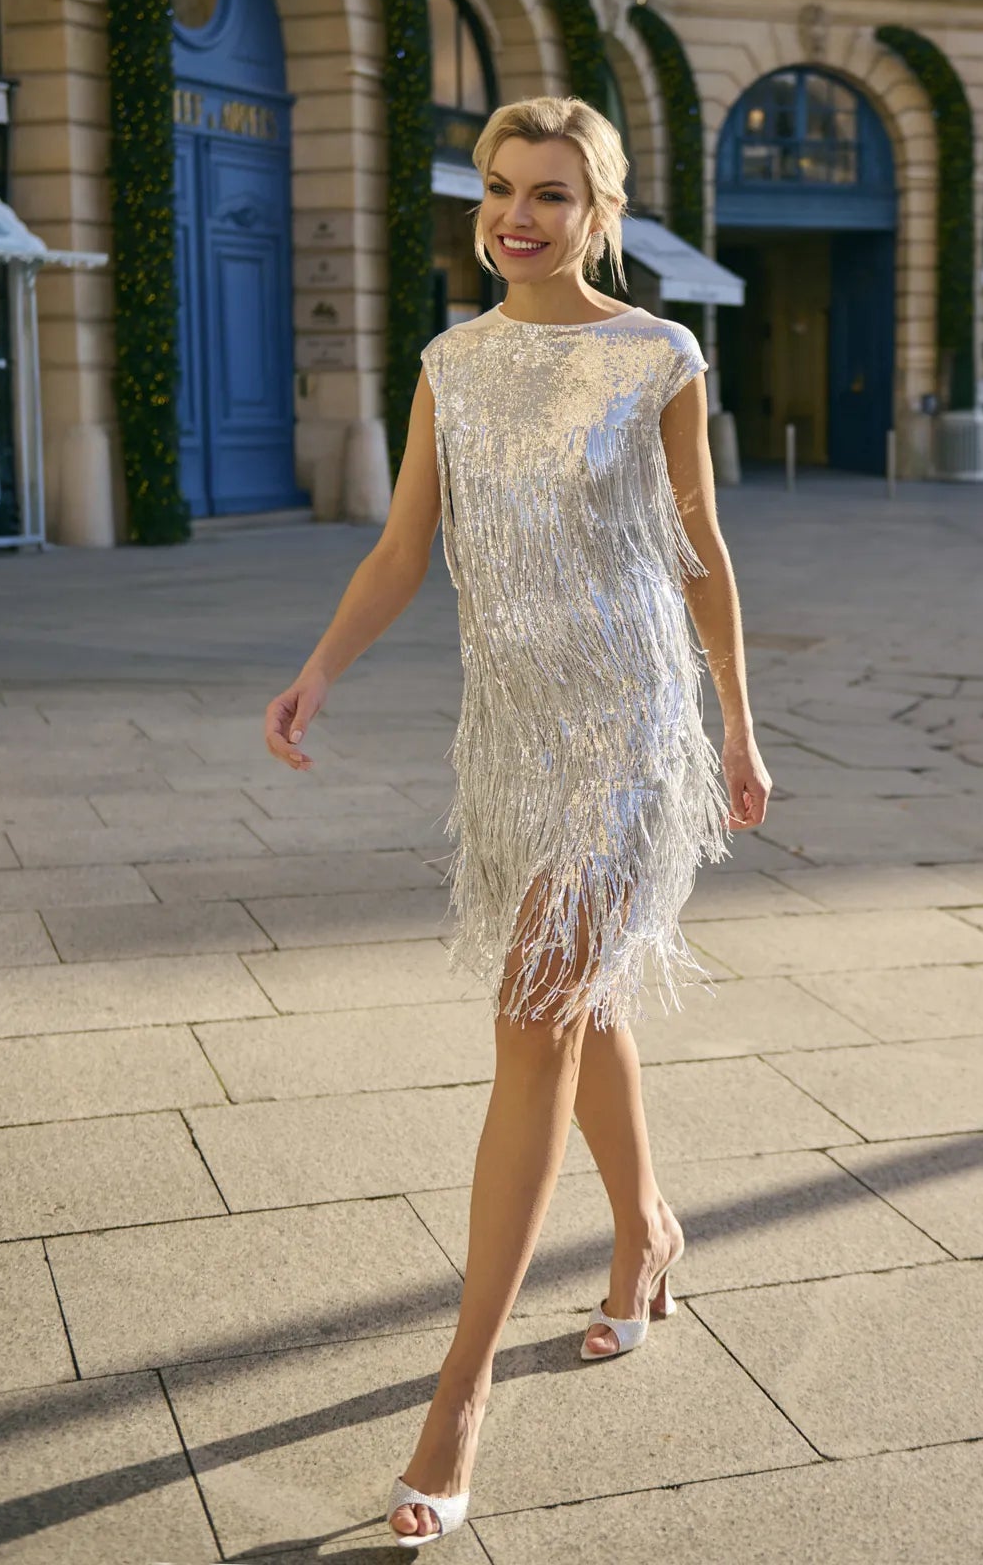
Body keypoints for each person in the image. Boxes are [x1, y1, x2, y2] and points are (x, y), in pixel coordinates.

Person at [263, 94, 771, 1551]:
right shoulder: (451, 366)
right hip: (511, 744)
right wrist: (317, 672)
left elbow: (701, 554)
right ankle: (649, 1232)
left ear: (599, 210)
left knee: (534, 1006)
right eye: (498, 188)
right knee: (577, 1001)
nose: (517, 216)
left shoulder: (658, 356)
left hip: (629, 739)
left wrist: (740, 726)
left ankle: (462, 1390)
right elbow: (403, 547)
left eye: (551, 191)